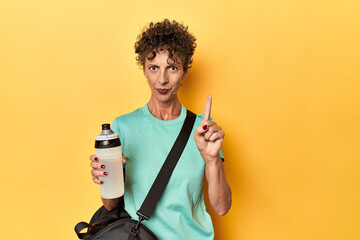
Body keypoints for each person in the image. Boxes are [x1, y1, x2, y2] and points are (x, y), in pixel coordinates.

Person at [89, 19, 231, 239]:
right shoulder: (123, 127)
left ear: (184, 73)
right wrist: (105, 178)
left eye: (172, 68)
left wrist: (212, 159)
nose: (162, 79)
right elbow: (110, 205)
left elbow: (222, 207)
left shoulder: (202, 129)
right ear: (144, 70)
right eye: (153, 68)